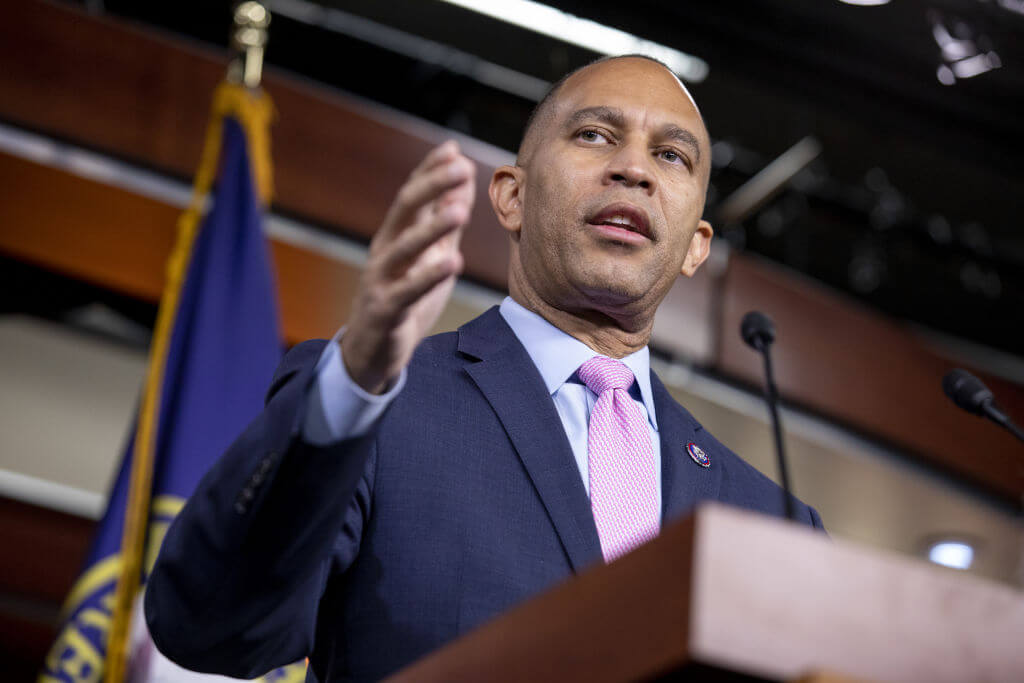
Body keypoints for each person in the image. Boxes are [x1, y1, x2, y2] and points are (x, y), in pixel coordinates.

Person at [145, 55, 823, 682]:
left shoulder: (771, 519)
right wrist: (353, 387)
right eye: (594, 135)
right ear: (511, 197)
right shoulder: (378, 405)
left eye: (671, 155)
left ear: (696, 247)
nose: (634, 170)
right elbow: (211, 624)